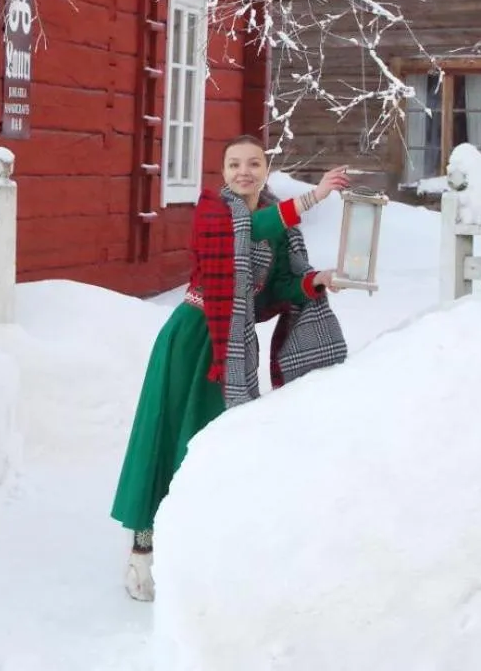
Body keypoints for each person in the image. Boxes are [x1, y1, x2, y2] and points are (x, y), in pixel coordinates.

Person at [109, 135, 355, 602]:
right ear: (222, 172)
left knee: (215, 441)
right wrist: (314, 197)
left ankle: (202, 544)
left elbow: (279, 283)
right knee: (168, 435)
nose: (244, 172)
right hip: (193, 337)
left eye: (253, 164)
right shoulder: (213, 211)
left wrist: (316, 280)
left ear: (266, 169)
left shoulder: (278, 221)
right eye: (234, 164)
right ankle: (143, 549)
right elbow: (249, 229)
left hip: (233, 345)